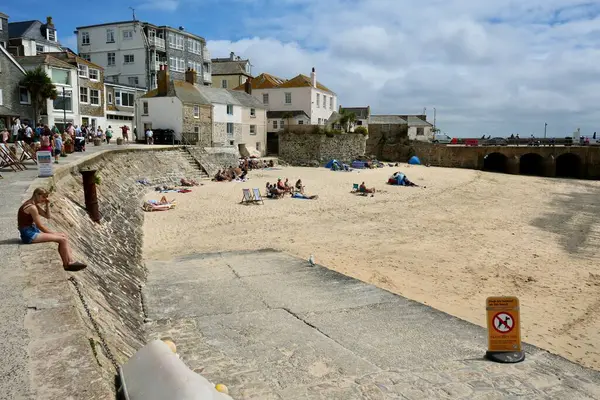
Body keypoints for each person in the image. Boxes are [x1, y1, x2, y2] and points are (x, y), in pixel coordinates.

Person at [17, 188, 87, 271]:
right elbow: (40, 226)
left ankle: (71, 261)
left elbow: (47, 216)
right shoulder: (32, 207)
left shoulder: (34, 205)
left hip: (31, 230)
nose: (45, 199)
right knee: (62, 239)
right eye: (44, 197)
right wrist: (52, 234)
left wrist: (47, 205)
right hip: (28, 234)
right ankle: (67, 264)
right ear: (37, 195)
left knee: (64, 235)